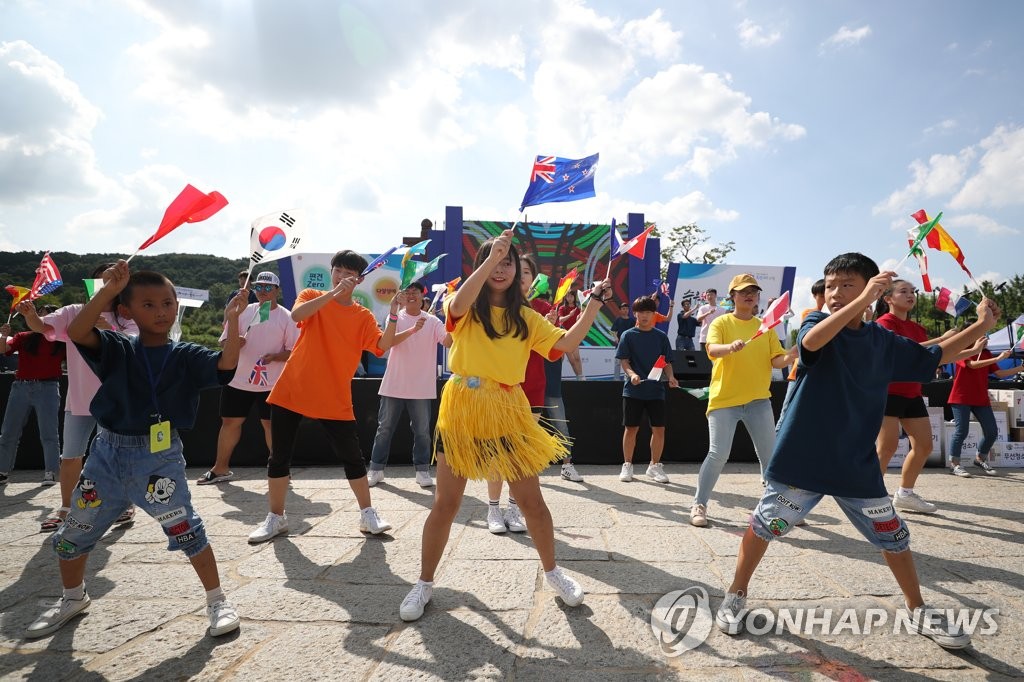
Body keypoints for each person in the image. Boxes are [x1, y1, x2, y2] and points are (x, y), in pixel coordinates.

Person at [715, 253, 1000, 650]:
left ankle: (918, 609)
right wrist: (859, 297)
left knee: (894, 538)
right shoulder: (815, 324)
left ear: (872, 290)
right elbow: (812, 343)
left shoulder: (882, 341)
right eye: (831, 285)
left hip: (856, 466)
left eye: (847, 284)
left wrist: (982, 325)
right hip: (803, 459)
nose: (835, 293)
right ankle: (736, 595)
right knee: (765, 526)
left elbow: (933, 355)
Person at [399, 230, 611, 622]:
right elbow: (461, 301)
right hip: (462, 407)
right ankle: (425, 583)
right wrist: (491, 256)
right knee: (446, 503)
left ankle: (553, 573)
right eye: (494, 260)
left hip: (508, 409)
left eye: (507, 262)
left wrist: (594, 302)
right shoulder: (460, 306)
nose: (501, 268)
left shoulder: (526, 317)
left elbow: (565, 343)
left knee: (532, 502)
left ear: (518, 271)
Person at [25, 261, 245, 639]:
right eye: (148, 304)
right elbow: (78, 330)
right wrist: (109, 291)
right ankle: (72, 597)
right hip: (107, 454)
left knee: (185, 526)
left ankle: (217, 600)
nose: (161, 311)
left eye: (168, 302)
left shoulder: (185, 354)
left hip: (158, 457)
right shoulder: (115, 347)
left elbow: (225, 364)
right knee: (75, 529)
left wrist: (234, 320)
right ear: (126, 311)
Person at [247, 250, 400, 544]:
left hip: (333, 396)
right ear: (331, 272)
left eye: (349, 273)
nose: (342, 277)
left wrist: (393, 314)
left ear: (359, 279)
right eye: (338, 270)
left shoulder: (363, 315)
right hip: (293, 389)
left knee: (353, 459)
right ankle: (276, 518)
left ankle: (368, 514)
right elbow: (297, 315)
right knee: (278, 457)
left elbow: (383, 345)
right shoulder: (311, 295)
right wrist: (331, 295)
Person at [21, 265, 141, 532]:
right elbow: (43, 326)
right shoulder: (75, 311)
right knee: (71, 455)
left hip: (115, 400)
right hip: (80, 399)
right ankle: (66, 507)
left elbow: (137, 345)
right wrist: (30, 316)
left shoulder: (127, 315)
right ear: (94, 282)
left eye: (113, 278)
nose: (107, 282)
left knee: (116, 455)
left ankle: (123, 504)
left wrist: (110, 329)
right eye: (103, 278)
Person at [690, 274, 795, 527]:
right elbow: (712, 350)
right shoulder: (721, 322)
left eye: (753, 291)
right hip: (724, 400)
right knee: (718, 454)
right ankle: (699, 504)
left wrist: (792, 354)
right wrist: (730, 347)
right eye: (742, 291)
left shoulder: (765, 327)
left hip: (758, 401)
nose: (749, 295)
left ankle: (776, 507)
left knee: (770, 456)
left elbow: (776, 361)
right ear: (732, 297)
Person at [873, 280, 975, 511]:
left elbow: (934, 357)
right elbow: (906, 351)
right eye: (903, 291)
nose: (910, 295)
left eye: (913, 292)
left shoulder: (918, 329)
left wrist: (972, 348)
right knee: (886, 448)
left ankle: (905, 494)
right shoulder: (883, 323)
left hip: (912, 393)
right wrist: (942, 341)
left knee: (924, 446)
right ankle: (870, 496)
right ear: (888, 298)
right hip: (887, 393)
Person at [198, 271, 299, 485]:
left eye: (267, 287)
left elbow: (295, 351)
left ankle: (280, 469)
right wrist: (236, 342)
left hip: (271, 383)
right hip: (238, 378)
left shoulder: (287, 317)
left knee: (271, 425)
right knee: (230, 422)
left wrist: (277, 356)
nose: (262, 291)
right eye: (259, 287)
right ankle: (220, 468)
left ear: (277, 290)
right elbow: (223, 343)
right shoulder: (242, 312)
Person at [487, 253, 554, 533]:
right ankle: (492, 508)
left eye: (528, 272)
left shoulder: (541, 308)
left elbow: (554, 349)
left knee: (520, 454)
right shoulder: (494, 304)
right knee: (496, 450)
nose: (523, 276)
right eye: (520, 270)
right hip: (499, 389)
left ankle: (514, 508)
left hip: (532, 388)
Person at [368, 281, 451, 488]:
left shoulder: (432, 321)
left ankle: (422, 471)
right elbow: (388, 343)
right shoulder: (395, 317)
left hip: (421, 387)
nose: (411, 295)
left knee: (422, 431)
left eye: (416, 291)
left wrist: (454, 317)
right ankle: (376, 469)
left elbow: (448, 342)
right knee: (384, 428)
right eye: (407, 291)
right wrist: (406, 322)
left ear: (423, 296)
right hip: (394, 383)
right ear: (401, 296)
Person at [616, 295, 679, 484]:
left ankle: (654, 466)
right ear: (635, 313)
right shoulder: (628, 335)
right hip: (633, 390)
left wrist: (671, 377)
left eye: (648, 312)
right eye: (641, 312)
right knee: (631, 428)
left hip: (656, 391)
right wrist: (632, 374)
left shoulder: (661, 337)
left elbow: (666, 362)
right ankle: (627, 465)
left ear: (654, 314)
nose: (645, 316)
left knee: (659, 429)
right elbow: (624, 362)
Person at [0, 314, 66, 487]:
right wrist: (4, 335)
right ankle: (2, 471)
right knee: (8, 432)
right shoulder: (24, 337)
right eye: (42, 315)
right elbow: (3, 350)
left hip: (48, 387)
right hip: (21, 386)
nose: (45, 319)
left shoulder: (62, 341)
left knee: (49, 434)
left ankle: (51, 472)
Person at [947, 339, 1024, 477]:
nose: (986, 340)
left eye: (986, 337)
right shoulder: (962, 351)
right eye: (982, 336)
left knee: (992, 431)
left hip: (981, 398)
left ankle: (980, 459)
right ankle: (954, 464)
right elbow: (973, 365)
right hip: (961, 397)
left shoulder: (987, 353)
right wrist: (998, 358)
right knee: (962, 431)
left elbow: (999, 374)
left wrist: (1021, 368)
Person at [775, 279, 825, 432]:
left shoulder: (836, 315)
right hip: (800, 371)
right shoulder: (810, 314)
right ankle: (775, 444)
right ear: (815, 295)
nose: (824, 296)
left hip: (822, 373)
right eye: (820, 293)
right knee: (787, 410)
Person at [556, 289, 584, 380]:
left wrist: (579, 318)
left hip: (574, 335)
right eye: (568, 296)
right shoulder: (562, 308)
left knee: (577, 358)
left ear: (574, 297)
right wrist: (570, 315)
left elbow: (580, 323)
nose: (570, 298)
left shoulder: (578, 309)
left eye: (571, 296)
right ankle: (578, 376)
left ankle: (580, 376)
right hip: (565, 335)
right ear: (565, 297)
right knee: (571, 360)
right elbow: (560, 320)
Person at [610, 302, 633, 381]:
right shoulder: (618, 320)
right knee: (617, 363)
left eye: (627, 309)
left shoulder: (632, 321)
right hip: (619, 345)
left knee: (628, 363)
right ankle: (616, 379)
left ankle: (627, 378)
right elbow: (613, 331)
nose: (625, 310)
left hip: (629, 346)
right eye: (623, 309)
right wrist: (616, 338)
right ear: (620, 310)